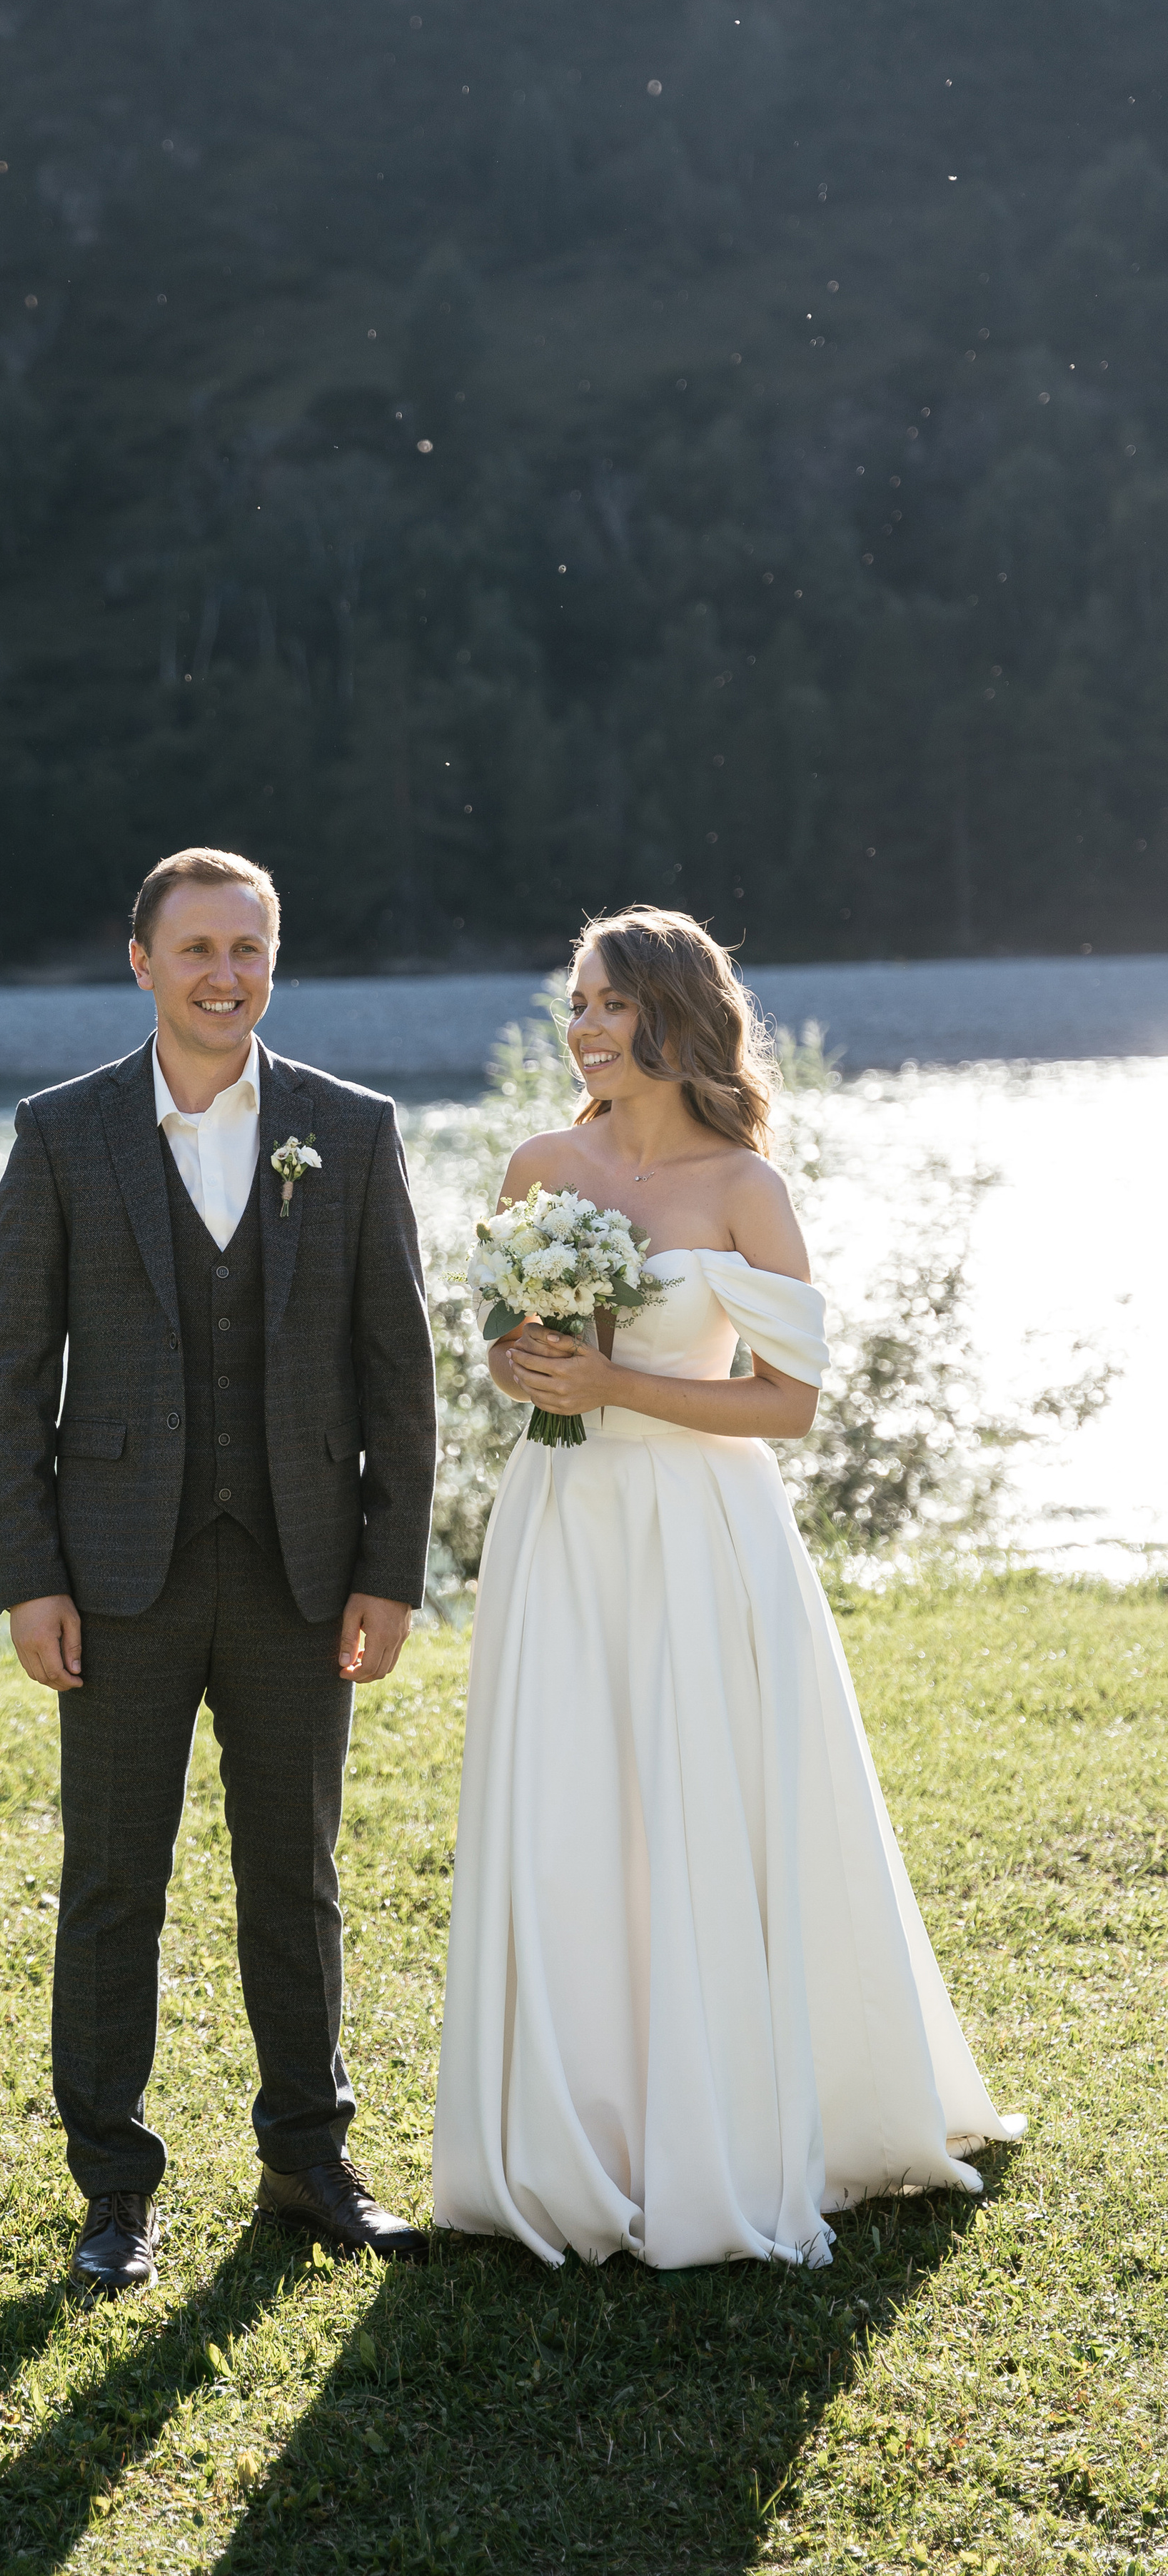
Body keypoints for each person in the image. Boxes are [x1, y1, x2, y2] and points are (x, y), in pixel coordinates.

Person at [432, 905, 1024, 2271]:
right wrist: (526, 1367)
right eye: (574, 1002)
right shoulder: (537, 1163)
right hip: (564, 1517)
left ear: (675, 1015)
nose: (582, 1026)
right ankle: (578, 2133)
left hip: (700, 1524)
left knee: (704, 1796)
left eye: (609, 1004)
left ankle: (733, 2120)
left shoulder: (744, 1187)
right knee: (568, 1800)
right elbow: (514, 1344)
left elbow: (792, 1404)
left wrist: (620, 1384)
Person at [0, 846, 438, 2292]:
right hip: (115, 1576)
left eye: (247, 949)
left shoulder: (347, 1131)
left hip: (306, 1573)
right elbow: (13, 1374)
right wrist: (29, 1573)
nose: (224, 976)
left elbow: (397, 1371)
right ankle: (112, 2186)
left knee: (292, 1877)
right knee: (114, 1881)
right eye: (196, 951)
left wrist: (390, 1569)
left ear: (271, 961)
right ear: (140, 962)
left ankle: (309, 2159)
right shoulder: (61, 1134)